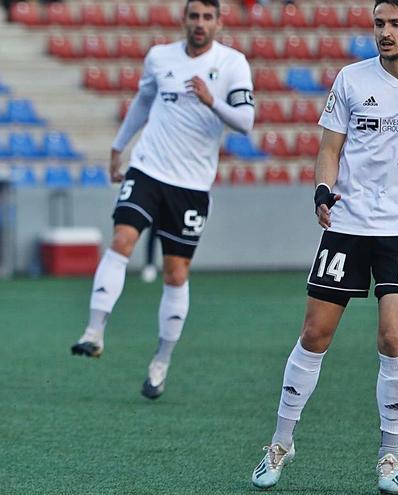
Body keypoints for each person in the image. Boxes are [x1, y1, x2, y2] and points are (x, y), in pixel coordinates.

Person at [250, 2, 398, 493]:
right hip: (348, 224)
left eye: (395, 24)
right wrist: (323, 189)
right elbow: (329, 150)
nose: (384, 32)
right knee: (315, 334)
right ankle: (280, 442)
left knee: (392, 337)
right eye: (379, 23)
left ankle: (389, 455)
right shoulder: (351, 79)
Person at [70, 0, 255, 400]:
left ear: (219, 23)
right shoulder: (160, 57)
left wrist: (211, 101)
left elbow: (245, 122)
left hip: (191, 185)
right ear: (184, 20)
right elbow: (143, 103)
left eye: (208, 17)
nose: (200, 24)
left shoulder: (233, 64)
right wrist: (119, 147)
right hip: (148, 168)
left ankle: (161, 361)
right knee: (122, 240)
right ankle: (94, 330)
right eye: (194, 16)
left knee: (175, 274)